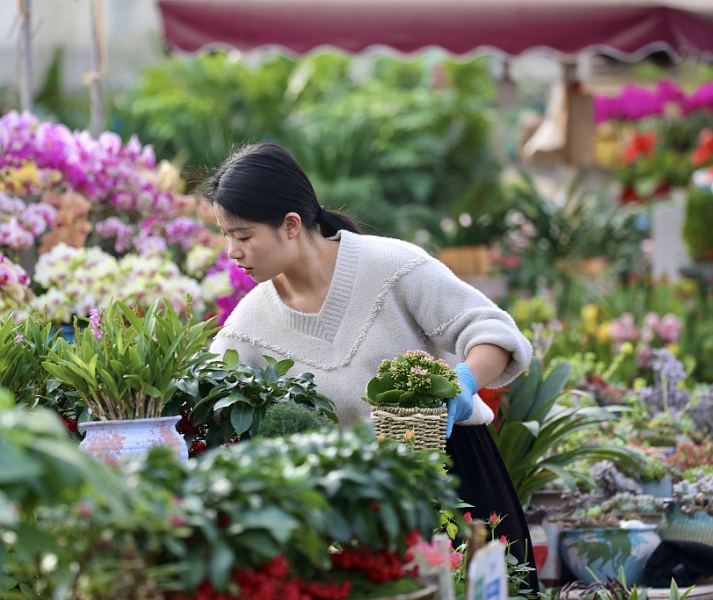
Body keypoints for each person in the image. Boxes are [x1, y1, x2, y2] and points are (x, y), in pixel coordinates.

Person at [206, 142, 539, 594]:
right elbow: (207, 397)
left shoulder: (391, 267)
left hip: (454, 478)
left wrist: (462, 384)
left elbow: (493, 332)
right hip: (356, 510)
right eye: (225, 236)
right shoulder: (249, 327)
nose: (231, 251)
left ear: (290, 225)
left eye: (242, 236)